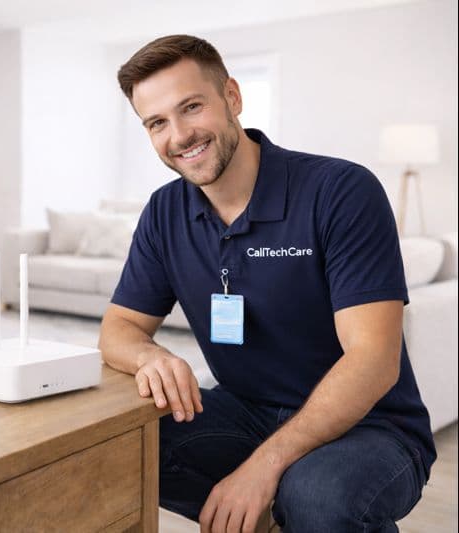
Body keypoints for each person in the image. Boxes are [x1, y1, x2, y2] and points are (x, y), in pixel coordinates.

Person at [98, 34, 436, 533]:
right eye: (157, 123)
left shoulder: (340, 191)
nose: (180, 135)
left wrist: (264, 466)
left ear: (232, 96)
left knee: (315, 496)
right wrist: (150, 356)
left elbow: (374, 361)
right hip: (245, 411)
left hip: (373, 425)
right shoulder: (164, 212)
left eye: (191, 107)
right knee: (118, 443)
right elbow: (119, 326)